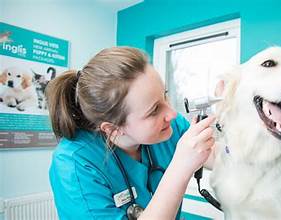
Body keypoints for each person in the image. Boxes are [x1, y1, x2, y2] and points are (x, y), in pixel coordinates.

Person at [46, 47, 216, 220]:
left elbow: (217, 156)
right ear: (112, 128)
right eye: (154, 110)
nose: (172, 113)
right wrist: (180, 167)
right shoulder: (74, 164)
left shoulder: (169, 126)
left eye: (164, 95)